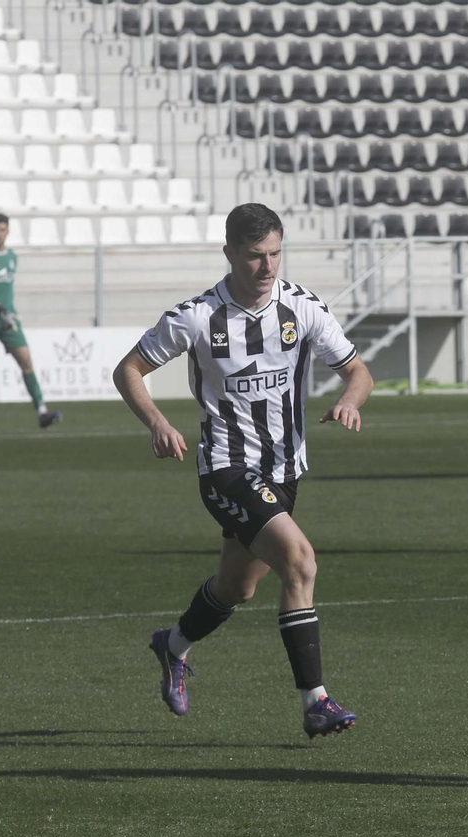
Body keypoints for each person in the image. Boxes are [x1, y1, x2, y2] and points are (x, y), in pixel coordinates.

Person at [113, 203, 375, 737]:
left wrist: (351, 400)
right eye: (256, 256)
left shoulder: (302, 307)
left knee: (238, 586)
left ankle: (174, 645)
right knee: (300, 563)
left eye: (276, 254)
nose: (268, 267)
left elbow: (357, 370)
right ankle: (315, 702)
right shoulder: (198, 315)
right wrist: (159, 424)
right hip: (227, 468)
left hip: (284, 470)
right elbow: (130, 370)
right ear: (230, 253)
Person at [0, 213, 62, 431]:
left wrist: (8, 312)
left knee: (26, 361)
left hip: (8, 319)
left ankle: (42, 412)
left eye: (2, 230)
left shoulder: (12, 257)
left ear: (8, 231)